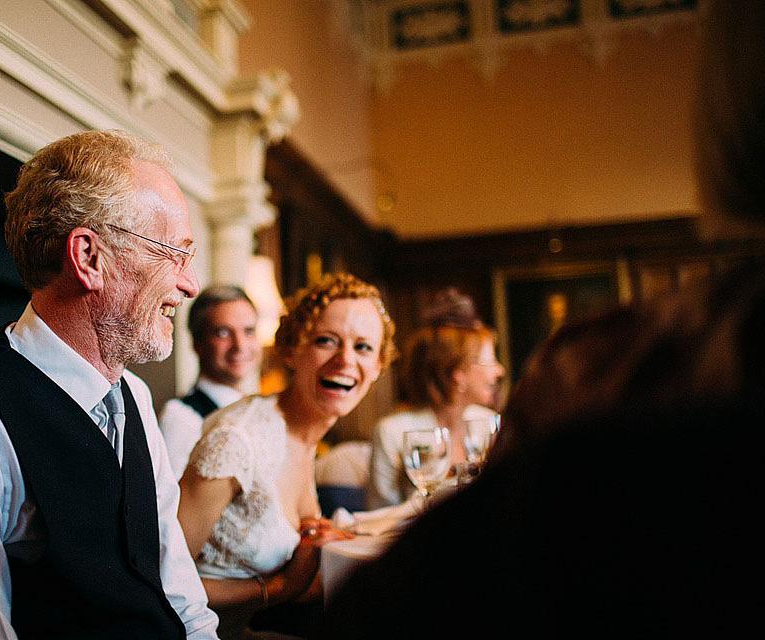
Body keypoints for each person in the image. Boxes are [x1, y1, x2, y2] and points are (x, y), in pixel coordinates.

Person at [318, 1, 764, 636]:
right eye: (485, 358)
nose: (500, 368)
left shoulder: (592, 375)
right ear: (453, 369)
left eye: (364, 345)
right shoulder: (407, 428)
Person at [0, 129, 220, 639]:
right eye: (174, 253)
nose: (189, 284)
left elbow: (181, 600)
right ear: (90, 258)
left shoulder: (136, 398)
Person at [177, 273, 397, 639]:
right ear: (292, 350)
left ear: (377, 367)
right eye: (326, 341)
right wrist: (279, 587)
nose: (345, 360)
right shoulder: (237, 440)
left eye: (363, 347)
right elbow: (159, 581)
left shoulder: (304, 435)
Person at [366, 289, 504, 509]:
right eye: (489, 361)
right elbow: (379, 516)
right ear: (456, 373)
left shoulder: (490, 423)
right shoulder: (392, 432)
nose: (499, 370)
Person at [159, 285, 261, 477]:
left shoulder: (258, 406)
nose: (239, 345)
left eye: (248, 331)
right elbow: (175, 502)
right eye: (223, 333)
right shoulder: (181, 417)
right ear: (198, 343)